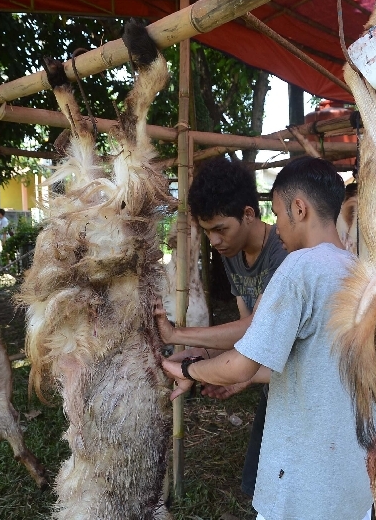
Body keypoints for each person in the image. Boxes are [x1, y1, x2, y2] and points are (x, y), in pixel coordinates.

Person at [157, 156, 373, 520]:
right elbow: (306, 368)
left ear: (299, 209)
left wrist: (190, 370)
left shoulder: (299, 268)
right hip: (352, 482)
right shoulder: (361, 273)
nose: (277, 226)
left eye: (277, 213)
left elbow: (243, 365)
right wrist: (209, 362)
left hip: (303, 488)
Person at [158, 156, 287, 498]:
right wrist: (224, 367)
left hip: (298, 371)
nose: (213, 240)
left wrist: (177, 338)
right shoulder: (232, 254)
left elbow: (252, 328)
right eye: (207, 231)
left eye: (220, 229)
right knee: (259, 479)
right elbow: (247, 329)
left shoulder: (281, 254)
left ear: (248, 214)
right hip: (274, 373)